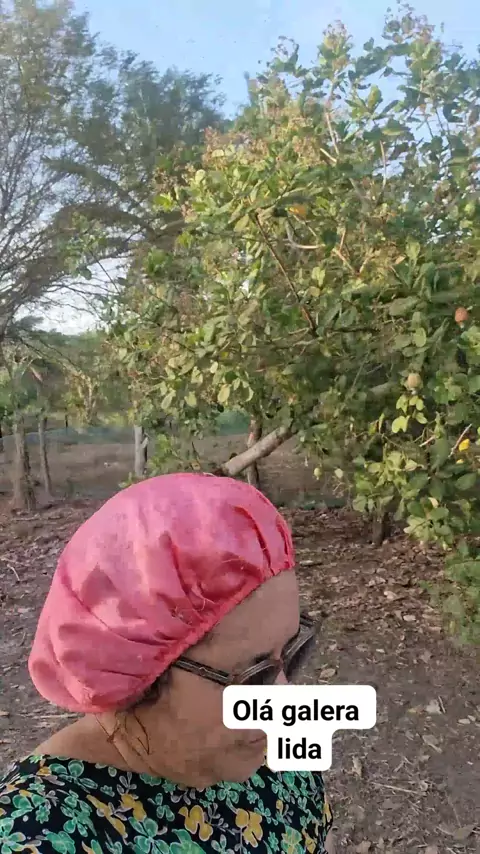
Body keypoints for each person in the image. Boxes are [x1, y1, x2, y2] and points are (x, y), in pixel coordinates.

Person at [0, 473, 335, 853]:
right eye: (253, 677)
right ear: (140, 678)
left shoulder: (275, 758)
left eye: (292, 652)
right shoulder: (38, 836)